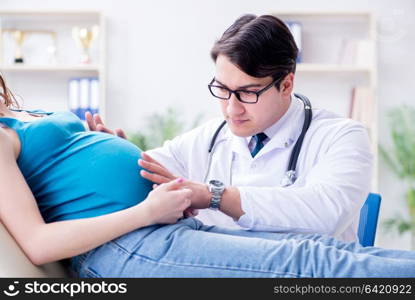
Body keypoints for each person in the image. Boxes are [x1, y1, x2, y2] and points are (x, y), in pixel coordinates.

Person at [1, 71, 415, 278]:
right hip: (124, 247)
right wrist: (146, 212)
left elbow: (67, 174)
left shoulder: (22, 111)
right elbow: (37, 244)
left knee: (317, 248)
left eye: (247, 91)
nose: (233, 105)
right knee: (308, 263)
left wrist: (116, 149)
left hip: (160, 230)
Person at [89, 14, 372, 243]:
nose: (232, 108)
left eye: (248, 93)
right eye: (223, 89)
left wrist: (214, 197)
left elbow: (325, 212)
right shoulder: (210, 136)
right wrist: (113, 156)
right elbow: (149, 171)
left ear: (286, 84)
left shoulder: (341, 136)